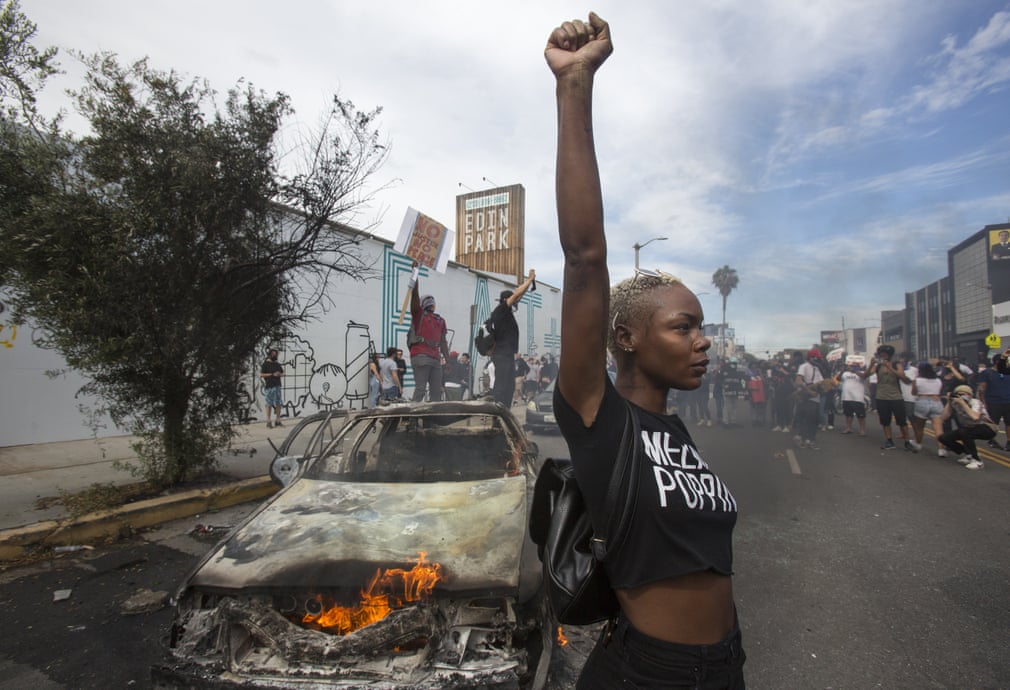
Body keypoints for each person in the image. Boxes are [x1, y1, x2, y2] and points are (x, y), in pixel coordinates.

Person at [546, 13, 745, 689]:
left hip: (725, 666)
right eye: (683, 327)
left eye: (699, 326)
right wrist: (575, 86)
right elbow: (584, 255)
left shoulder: (675, 430)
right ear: (626, 338)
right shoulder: (600, 417)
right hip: (650, 675)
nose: (702, 341)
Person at [488, 269, 537, 407]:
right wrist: (529, 279)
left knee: (509, 387)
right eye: (513, 301)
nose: (516, 303)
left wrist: (528, 285)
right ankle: (498, 415)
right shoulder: (501, 311)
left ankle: (505, 413)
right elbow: (517, 295)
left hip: (508, 355)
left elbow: (518, 296)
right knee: (502, 386)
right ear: (506, 300)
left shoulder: (506, 313)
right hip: (501, 355)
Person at [408, 277, 451, 403]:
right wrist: (415, 280)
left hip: (435, 357)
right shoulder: (419, 315)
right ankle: (411, 419)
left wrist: (447, 360)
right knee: (421, 389)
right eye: (429, 301)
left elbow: (443, 342)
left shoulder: (440, 320)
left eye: (432, 301)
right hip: (421, 355)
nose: (432, 303)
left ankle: (432, 420)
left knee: (436, 391)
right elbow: (414, 298)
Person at [866, 345, 913, 451]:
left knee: (902, 421)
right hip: (881, 396)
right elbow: (866, 375)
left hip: (896, 396)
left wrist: (890, 368)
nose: (882, 355)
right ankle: (889, 440)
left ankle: (907, 441)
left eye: (884, 353)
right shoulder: (878, 366)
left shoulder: (897, 364)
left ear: (889, 354)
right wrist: (871, 365)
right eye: (881, 353)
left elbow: (903, 378)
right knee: (885, 421)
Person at [939, 384, 996, 469]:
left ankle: (977, 461)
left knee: (964, 432)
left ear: (970, 395)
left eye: (964, 394)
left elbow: (975, 417)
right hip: (969, 428)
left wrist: (963, 403)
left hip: (987, 428)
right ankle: (969, 454)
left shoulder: (976, 402)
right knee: (944, 438)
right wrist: (949, 402)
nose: (962, 396)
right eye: (959, 394)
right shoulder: (955, 403)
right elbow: (943, 417)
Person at [976, 349, 1010, 451]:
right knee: (993, 423)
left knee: (1009, 423)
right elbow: (982, 388)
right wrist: (983, 402)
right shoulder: (987, 373)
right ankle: (992, 440)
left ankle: (1009, 442)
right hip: (994, 402)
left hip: (1008, 401)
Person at [910, 361, 944, 455]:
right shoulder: (938, 380)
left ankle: (918, 443)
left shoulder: (917, 380)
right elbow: (939, 391)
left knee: (919, 427)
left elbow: (913, 392)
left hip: (922, 400)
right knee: (938, 428)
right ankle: (941, 449)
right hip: (936, 401)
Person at [794, 349, 825, 449]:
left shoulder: (816, 368)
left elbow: (821, 382)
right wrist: (809, 391)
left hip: (816, 397)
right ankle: (803, 438)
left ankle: (809, 440)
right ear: (811, 358)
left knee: (814, 420)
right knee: (808, 419)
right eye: (816, 358)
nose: (818, 360)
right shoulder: (804, 367)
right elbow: (798, 381)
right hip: (807, 397)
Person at [838, 361, 868, 436]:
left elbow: (864, 376)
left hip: (857, 397)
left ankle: (862, 430)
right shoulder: (845, 374)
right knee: (848, 414)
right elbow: (838, 379)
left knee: (860, 415)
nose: (851, 367)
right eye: (851, 366)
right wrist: (842, 371)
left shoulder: (861, 373)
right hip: (846, 396)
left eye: (854, 366)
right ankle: (848, 428)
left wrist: (855, 371)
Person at [260, 348, 284, 428]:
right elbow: (262, 374)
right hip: (269, 386)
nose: (275, 355)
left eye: (276, 354)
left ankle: (278, 420)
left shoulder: (277, 364)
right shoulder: (265, 364)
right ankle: (268, 421)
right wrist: (272, 374)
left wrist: (279, 374)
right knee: (269, 403)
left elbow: (282, 373)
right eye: (273, 354)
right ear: (270, 355)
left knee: (278, 403)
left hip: (277, 385)